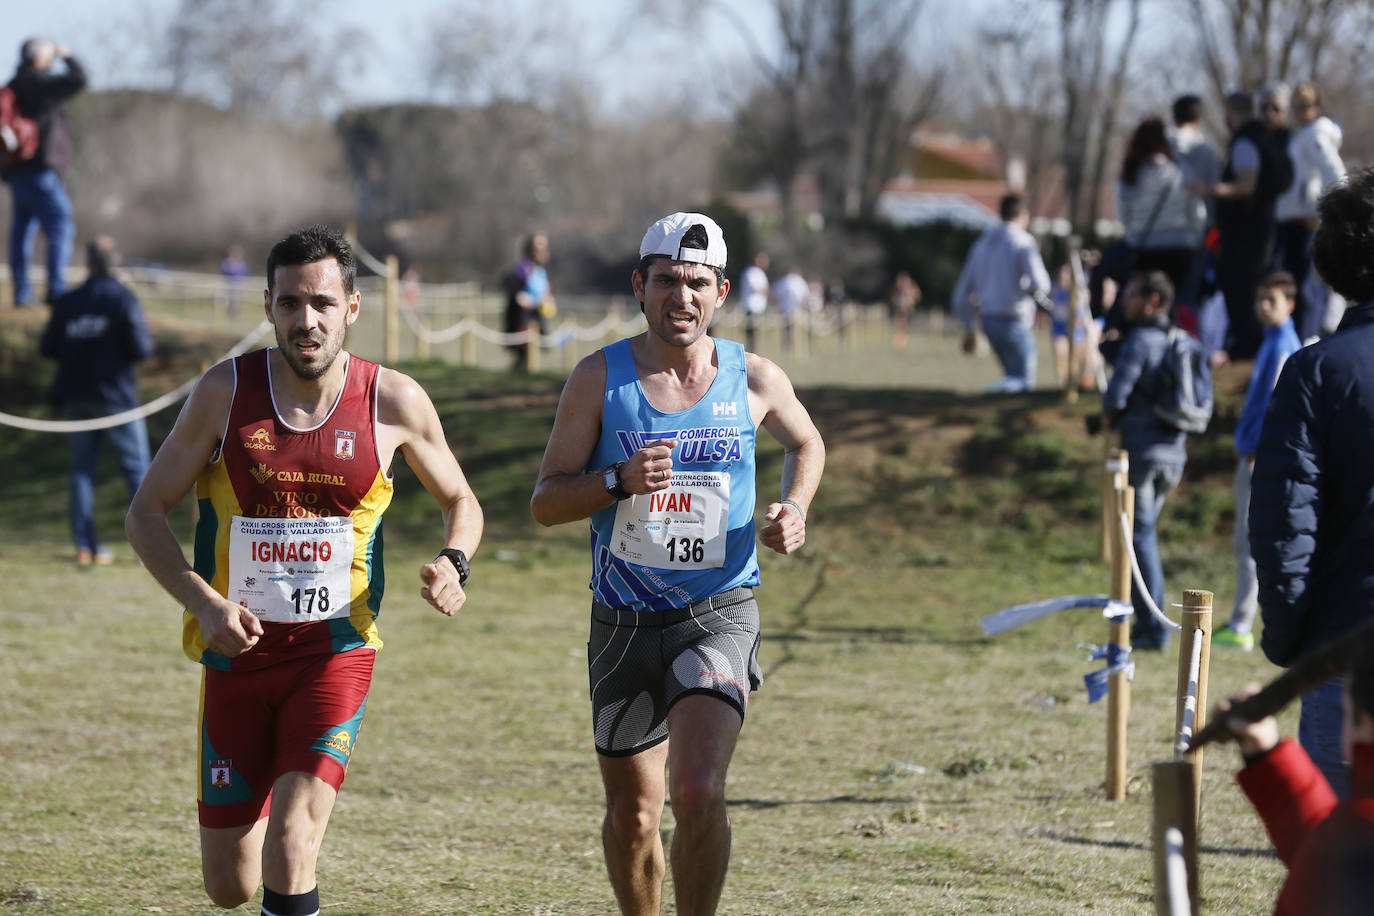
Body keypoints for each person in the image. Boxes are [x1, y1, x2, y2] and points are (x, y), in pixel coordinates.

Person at [124, 225, 484, 915]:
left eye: (321, 303)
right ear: (268, 307)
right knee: (230, 885)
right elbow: (145, 514)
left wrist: (454, 561)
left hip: (334, 656)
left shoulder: (394, 401)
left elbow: (462, 501)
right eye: (290, 303)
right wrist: (203, 603)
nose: (306, 320)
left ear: (352, 307)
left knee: (292, 845)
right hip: (236, 657)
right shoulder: (224, 394)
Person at [529, 211, 824, 916]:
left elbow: (806, 444)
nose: (681, 296)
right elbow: (544, 502)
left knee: (697, 792)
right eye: (666, 280)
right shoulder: (598, 378)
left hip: (717, 613)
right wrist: (614, 482)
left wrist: (795, 508)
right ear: (640, 285)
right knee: (633, 817)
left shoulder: (754, 378)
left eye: (697, 283)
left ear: (721, 292)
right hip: (624, 624)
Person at [1251, 166, 1374, 799]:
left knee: (1337, 863)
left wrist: (1290, 636)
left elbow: (1283, 524)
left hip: (1343, 649)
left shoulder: (1315, 372)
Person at [1215, 657, 1374, 915]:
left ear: (1365, 723)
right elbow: (1322, 849)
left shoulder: (1356, 843)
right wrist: (1266, 754)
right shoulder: (1349, 837)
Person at [1087, 271, 1187, 651]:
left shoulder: (1141, 341)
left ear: (1152, 301)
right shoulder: (1178, 339)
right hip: (1175, 454)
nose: (1124, 302)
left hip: (1143, 453)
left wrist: (1105, 416)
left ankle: (1154, 628)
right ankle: (1147, 622)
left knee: (1138, 539)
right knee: (1141, 537)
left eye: (1131, 295)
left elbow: (1115, 398)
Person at [40, 235, 153, 566]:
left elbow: (47, 347)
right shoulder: (123, 299)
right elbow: (142, 349)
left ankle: (85, 547)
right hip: (118, 401)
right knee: (139, 475)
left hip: (77, 400)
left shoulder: (68, 301)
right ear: (114, 262)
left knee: (82, 473)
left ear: (87, 263)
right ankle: (149, 551)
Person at [1214, 272, 1302, 652]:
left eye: (1272, 299)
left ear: (1290, 304)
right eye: (1260, 299)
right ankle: (1244, 620)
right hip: (1253, 454)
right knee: (1246, 543)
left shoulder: (1284, 345)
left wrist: (1257, 453)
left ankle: (1242, 624)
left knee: (1249, 543)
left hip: (1259, 459)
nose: (1263, 306)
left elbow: (1276, 408)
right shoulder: (1270, 341)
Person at [1197, 89, 1293, 361]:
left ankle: (1246, 351)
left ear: (1231, 111)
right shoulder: (1261, 138)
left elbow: (1246, 185)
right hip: (1259, 233)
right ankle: (1249, 348)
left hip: (1245, 237)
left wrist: (1208, 188)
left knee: (1241, 291)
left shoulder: (1245, 142)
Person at [3, 37, 86, 307]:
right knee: (61, 225)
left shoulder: (12, 86)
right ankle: (56, 291)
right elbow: (79, 80)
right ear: (39, 58)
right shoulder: (39, 82)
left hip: (16, 172)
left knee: (22, 232)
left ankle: (23, 295)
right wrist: (65, 55)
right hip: (40, 171)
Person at [951, 193, 1052, 392]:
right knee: (1022, 381)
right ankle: (987, 394)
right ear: (1023, 214)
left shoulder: (982, 243)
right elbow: (1041, 284)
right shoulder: (1023, 242)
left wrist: (969, 327)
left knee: (1012, 377)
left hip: (988, 320)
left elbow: (961, 293)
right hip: (1014, 319)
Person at [1274, 82, 1346, 343]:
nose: (1300, 111)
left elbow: (1335, 173)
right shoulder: (1302, 133)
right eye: (1297, 106)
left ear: (1315, 107)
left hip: (1305, 219)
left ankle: (1308, 337)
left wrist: (1324, 212)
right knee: (1297, 279)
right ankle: (1303, 336)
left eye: (1305, 106)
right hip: (1293, 217)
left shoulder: (1316, 134)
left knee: (1305, 285)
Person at [1115, 117, 1204, 312]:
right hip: (1180, 247)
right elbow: (1196, 211)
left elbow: (1123, 216)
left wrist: (1133, 238)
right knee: (1175, 306)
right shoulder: (1181, 169)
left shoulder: (1131, 172)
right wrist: (1195, 238)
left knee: (1143, 307)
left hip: (1144, 248)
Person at [503, 231, 555, 370]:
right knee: (523, 359)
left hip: (537, 320)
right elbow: (513, 290)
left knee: (531, 360)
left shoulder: (540, 271)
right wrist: (523, 298)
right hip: (522, 322)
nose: (542, 251)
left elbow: (545, 292)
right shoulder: (522, 269)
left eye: (544, 247)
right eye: (538, 247)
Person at [771, 263, 809, 352]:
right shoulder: (795, 281)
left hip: (789, 309)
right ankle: (792, 347)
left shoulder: (785, 281)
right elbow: (806, 295)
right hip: (791, 309)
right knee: (790, 330)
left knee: (791, 330)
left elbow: (775, 294)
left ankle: (792, 347)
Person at [738, 251, 770, 352]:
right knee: (751, 332)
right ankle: (750, 349)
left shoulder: (760, 273)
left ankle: (755, 349)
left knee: (758, 332)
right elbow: (758, 288)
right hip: (751, 307)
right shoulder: (750, 272)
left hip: (759, 307)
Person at [889, 270, 921, 350]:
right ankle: (897, 339)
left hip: (907, 309)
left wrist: (910, 302)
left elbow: (917, 296)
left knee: (903, 324)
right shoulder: (897, 289)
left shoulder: (911, 288)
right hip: (899, 309)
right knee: (897, 323)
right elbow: (893, 297)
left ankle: (902, 340)